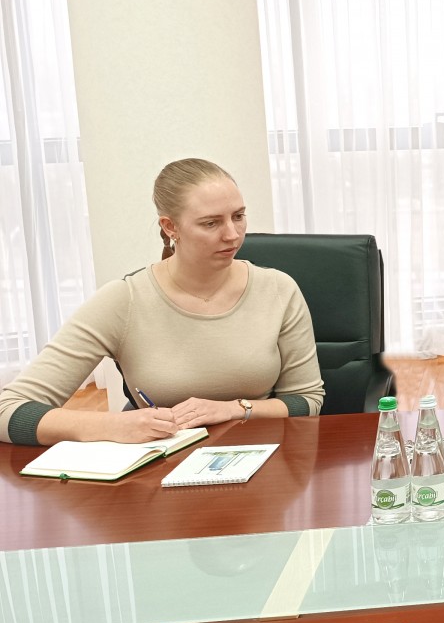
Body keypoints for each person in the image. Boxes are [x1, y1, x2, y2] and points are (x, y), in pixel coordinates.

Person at [0, 159, 325, 446]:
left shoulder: (278, 289)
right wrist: (113, 425)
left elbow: (307, 400)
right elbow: (8, 411)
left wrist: (233, 409)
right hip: (162, 471)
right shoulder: (125, 300)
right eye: (211, 223)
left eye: (238, 216)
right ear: (170, 227)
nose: (232, 234)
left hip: (266, 460)